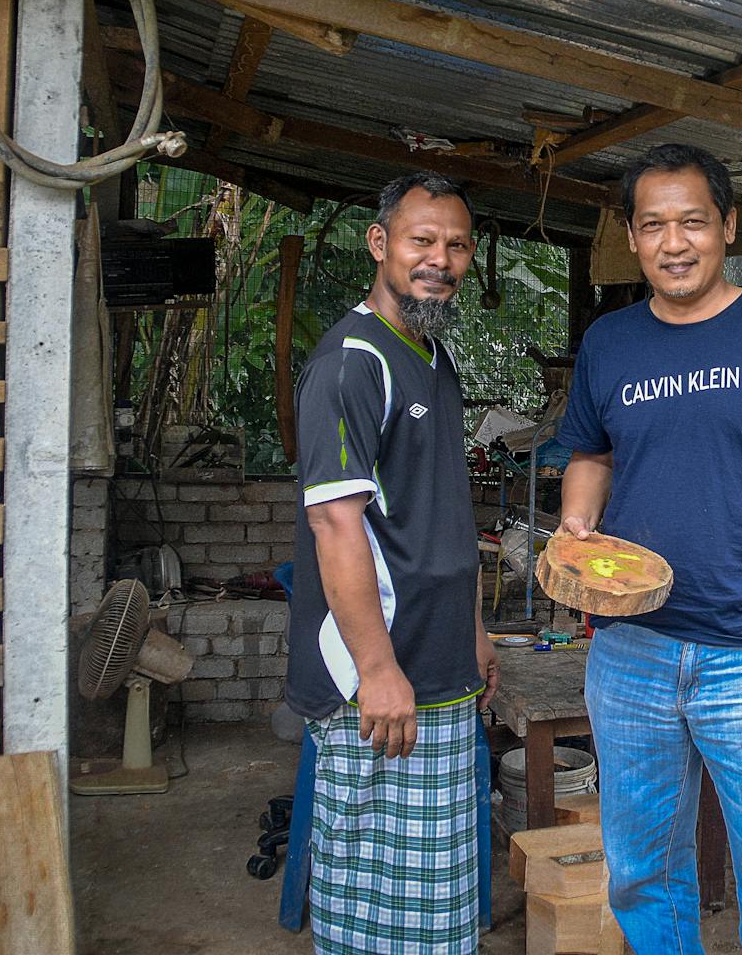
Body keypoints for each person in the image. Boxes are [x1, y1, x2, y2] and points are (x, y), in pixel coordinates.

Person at [556, 143, 742, 954]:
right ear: (631, 235)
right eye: (653, 225)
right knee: (642, 874)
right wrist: (576, 524)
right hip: (632, 652)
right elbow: (590, 454)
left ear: (728, 226)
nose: (674, 242)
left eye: (693, 221)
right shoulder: (610, 344)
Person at [283, 171, 498, 954]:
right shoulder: (352, 363)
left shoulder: (432, 360)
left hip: (439, 670)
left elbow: (443, 516)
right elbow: (335, 523)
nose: (438, 258)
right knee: (367, 898)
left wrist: (474, 629)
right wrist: (377, 669)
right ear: (380, 244)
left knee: (436, 907)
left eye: (455, 245)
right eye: (421, 240)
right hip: (378, 683)